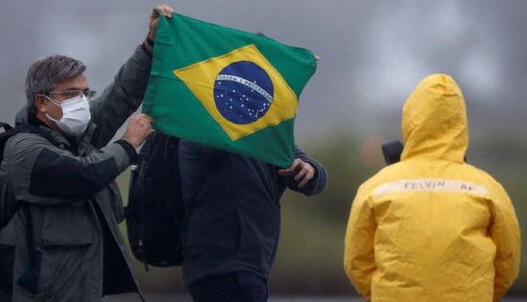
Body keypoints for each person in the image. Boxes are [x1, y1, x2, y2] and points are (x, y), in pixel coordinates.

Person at [0, 5, 173, 301]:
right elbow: (83, 176)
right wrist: (128, 144)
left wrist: (150, 45)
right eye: (71, 94)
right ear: (41, 102)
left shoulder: (78, 136)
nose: (81, 102)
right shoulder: (24, 151)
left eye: (84, 93)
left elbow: (122, 94)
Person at [344, 74, 521, 302]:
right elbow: (508, 263)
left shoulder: (376, 187)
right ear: (460, 123)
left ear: (410, 120)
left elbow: (356, 262)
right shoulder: (488, 188)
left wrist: (384, 294)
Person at [179, 141, 328, 302]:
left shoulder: (263, 136)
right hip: (215, 262)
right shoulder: (199, 131)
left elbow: (317, 182)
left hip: (251, 264)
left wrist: (310, 169)